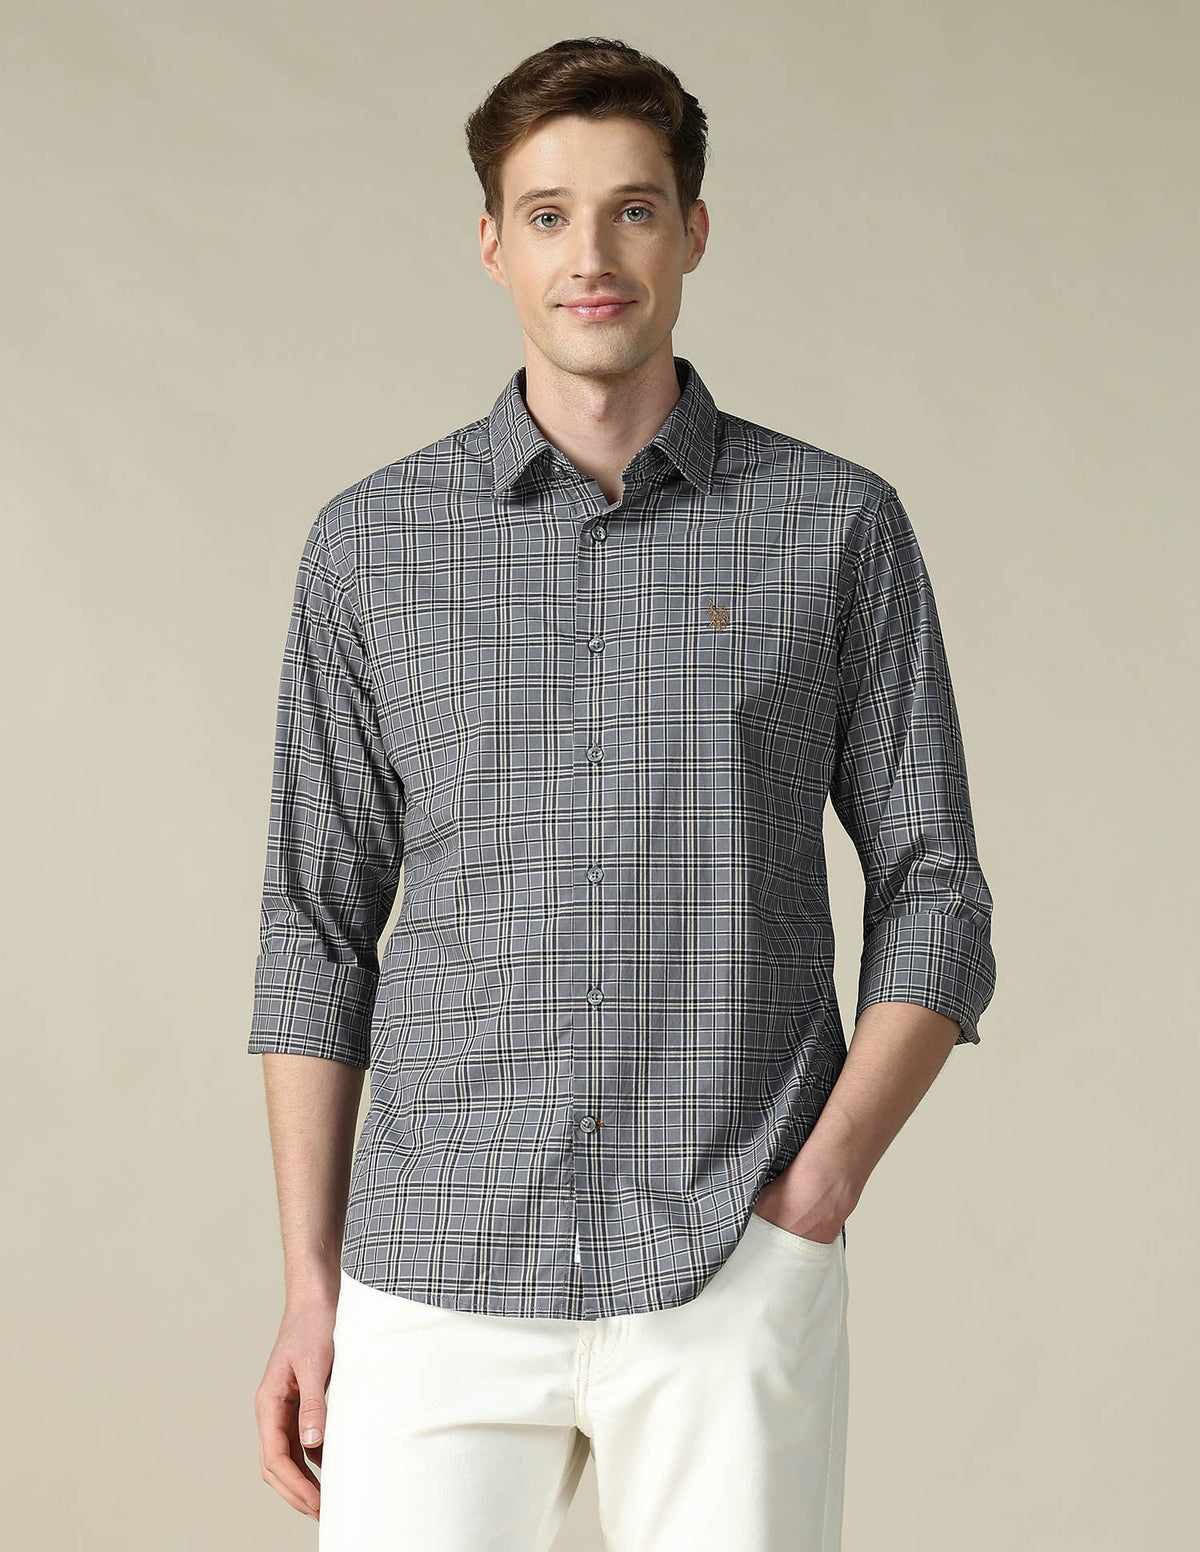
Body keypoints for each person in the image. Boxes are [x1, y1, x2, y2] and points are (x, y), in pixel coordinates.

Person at [248, 35, 996, 1552]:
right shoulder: (374, 545)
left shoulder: (833, 527)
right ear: (492, 243)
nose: (590, 256)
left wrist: (818, 1195)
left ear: (693, 231)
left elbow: (937, 892)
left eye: (633, 210)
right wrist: (310, 1287)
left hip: (730, 1258)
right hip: (434, 1270)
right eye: (548, 215)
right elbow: (314, 924)